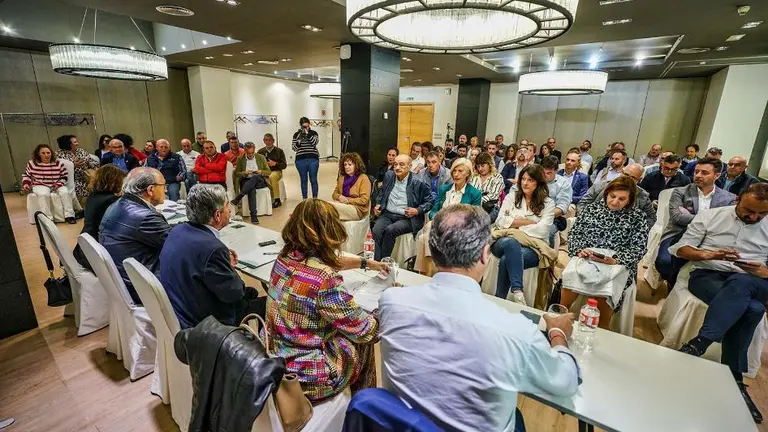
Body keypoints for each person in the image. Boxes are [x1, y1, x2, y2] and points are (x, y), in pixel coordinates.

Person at [380, 204, 580, 432]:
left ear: (432, 253)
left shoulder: (391, 301)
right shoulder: (514, 330)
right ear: (486, 255)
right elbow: (566, 381)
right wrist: (558, 333)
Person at [267, 199, 388, 402]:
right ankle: (365, 407)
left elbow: (328, 263)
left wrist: (366, 262)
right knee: (363, 343)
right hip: (308, 376)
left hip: (277, 356)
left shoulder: (284, 258)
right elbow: (366, 331)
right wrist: (384, 306)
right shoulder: (324, 279)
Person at [673, 183, 768, 424]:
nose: (754, 217)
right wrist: (708, 254)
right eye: (749, 210)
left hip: (756, 280)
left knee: (743, 283)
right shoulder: (711, 216)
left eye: (762, 213)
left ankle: (699, 343)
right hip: (709, 274)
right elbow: (681, 249)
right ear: (738, 199)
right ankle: (736, 382)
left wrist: (763, 271)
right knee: (753, 309)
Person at [160, 184, 267, 329]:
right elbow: (234, 293)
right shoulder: (213, 249)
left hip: (182, 306)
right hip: (209, 323)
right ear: (217, 215)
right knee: (269, 303)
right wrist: (229, 266)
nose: (229, 210)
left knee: (252, 292)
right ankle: (258, 348)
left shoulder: (177, 230)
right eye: (227, 206)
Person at [561, 176, 648, 329]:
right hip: (588, 256)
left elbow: (639, 248)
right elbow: (575, 234)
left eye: (622, 199)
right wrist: (580, 250)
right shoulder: (592, 209)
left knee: (609, 285)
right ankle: (562, 317)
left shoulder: (638, 218)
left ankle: (601, 328)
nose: (615, 202)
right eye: (612, 196)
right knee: (571, 273)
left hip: (617, 262)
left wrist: (616, 259)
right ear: (606, 194)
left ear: (629, 200)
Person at [656, 158, 736, 286]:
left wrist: (695, 217)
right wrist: (712, 219)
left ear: (717, 175)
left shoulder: (729, 198)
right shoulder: (681, 192)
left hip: (711, 239)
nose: (698, 175)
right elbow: (678, 218)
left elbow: (726, 224)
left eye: (704, 173)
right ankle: (672, 283)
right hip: (678, 234)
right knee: (664, 262)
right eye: (696, 171)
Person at [99, 167, 171, 305]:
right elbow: (178, 245)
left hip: (124, 278)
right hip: (142, 285)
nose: (166, 190)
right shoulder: (146, 217)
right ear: (150, 189)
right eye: (163, 186)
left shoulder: (117, 204)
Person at [492, 165, 556, 304]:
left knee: (506, 259)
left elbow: (543, 230)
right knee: (511, 243)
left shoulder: (548, 203)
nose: (525, 183)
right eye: (523, 179)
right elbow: (500, 221)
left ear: (538, 183)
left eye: (530, 180)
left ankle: (500, 299)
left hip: (533, 247)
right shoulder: (512, 197)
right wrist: (529, 222)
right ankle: (518, 291)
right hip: (503, 240)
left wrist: (515, 226)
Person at [415, 157, 482, 274]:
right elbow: (434, 210)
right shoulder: (445, 189)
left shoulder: (474, 193)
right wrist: (436, 216)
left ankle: (426, 274)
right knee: (426, 236)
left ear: (468, 174)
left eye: (460, 171)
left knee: (424, 238)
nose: (456, 174)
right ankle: (428, 272)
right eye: (454, 171)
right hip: (439, 223)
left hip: (459, 228)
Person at [372, 155, 434, 261]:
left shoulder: (418, 181)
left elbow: (430, 201)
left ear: (410, 166)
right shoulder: (389, 176)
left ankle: (383, 263)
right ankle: (376, 262)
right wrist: (378, 204)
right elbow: (381, 193)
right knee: (376, 230)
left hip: (408, 217)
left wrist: (417, 210)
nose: (397, 167)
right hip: (388, 214)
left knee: (390, 230)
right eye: (395, 164)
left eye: (401, 164)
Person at [72, 165, 126, 271]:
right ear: (114, 181)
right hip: (98, 253)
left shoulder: (93, 196)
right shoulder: (111, 201)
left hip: (85, 248)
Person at [578, 163, 656, 228]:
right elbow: (582, 204)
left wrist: (637, 228)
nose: (627, 179)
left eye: (632, 177)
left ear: (639, 180)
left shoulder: (643, 196)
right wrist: (588, 220)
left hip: (626, 230)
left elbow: (651, 218)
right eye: (626, 174)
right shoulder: (600, 186)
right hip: (594, 224)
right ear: (621, 172)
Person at [22, 144, 76, 224]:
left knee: (65, 192)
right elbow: (27, 175)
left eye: (48, 153)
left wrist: (58, 184)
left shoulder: (58, 163)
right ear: (38, 154)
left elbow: (64, 176)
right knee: (43, 194)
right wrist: (26, 184)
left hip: (56, 184)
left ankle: (70, 215)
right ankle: (48, 219)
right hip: (40, 184)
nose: (46, 155)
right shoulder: (32, 163)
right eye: (43, 153)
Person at [231, 141, 271, 224]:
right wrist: (244, 173)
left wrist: (261, 171)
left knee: (255, 177)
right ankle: (254, 216)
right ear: (245, 151)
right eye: (248, 153)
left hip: (259, 180)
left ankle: (239, 197)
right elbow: (236, 173)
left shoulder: (261, 157)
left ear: (254, 150)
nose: (251, 155)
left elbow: (268, 172)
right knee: (251, 189)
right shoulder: (240, 159)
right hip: (246, 180)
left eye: (252, 153)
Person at [55, 134, 100, 205]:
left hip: (88, 177)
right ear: (68, 144)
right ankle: (82, 209)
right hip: (73, 180)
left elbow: (94, 163)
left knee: (97, 184)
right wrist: (73, 166)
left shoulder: (81, 151)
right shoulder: (59, 155)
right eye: (75, 142)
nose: (77, 144)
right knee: (80, 188)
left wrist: (87, 164)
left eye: (76, 141)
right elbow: (59, 169)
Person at [330, 152, 371, 221]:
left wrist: (347, 200)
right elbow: (334, 194)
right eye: (345, 164)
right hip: (343, 204)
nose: (346, 167)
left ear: (356, 165)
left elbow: (364, 200)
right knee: (326, 208)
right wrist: (339, 197)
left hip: (358, 209)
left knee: (329, 207)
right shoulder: (342, 177)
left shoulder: (363, 178)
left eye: (350, 164)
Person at [542, 155, 573, 245]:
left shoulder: (563, 184)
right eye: (543, 173)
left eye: (549, 173)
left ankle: (549, 257)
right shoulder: (535, 180)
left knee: (547, 232)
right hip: (532, 213)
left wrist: (543, 215)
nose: (545, 176)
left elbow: (561, 208)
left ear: (556, 171)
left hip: (554, 217)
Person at [292, 116, 320, 199]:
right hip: (300, 159)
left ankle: (315, 199)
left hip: (313, 159)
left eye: (307, 126)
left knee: (313, 179)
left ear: (309, 125)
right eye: (304, 126)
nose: (306, 128)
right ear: (301, 126)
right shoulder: (296, 134)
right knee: (303, 180)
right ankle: (305, 200)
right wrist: (298, 141)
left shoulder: (314, 133)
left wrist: (308, 134)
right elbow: (294, 148)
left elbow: (314, 143)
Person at [257, 133, 287, 208]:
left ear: (273, 141)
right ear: (264, 141)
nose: (268, 142)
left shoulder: (279, 151)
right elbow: (257, 164)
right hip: (264, 171)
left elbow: (284, 165)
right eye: (266, 140)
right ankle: (261, 200)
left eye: (270, 140)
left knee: (272, 177)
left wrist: (275, 164)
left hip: (276, 171)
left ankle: (277, 199)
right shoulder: (260, 152)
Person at [470, 153, 504, 217]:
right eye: (478, 166)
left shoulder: (497, 177)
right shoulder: (473, 177)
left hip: (491, 207)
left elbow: (494, 195)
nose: (480, 169)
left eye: (483, 166)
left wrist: (478, 200)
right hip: (473, 207)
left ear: (489, 164)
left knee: (481, 222)